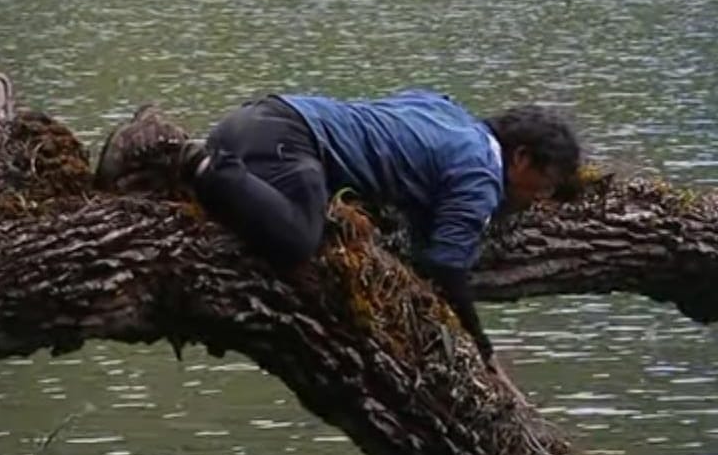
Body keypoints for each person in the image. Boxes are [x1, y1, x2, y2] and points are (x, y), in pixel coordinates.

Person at [96, 88, 581, 384]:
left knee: (296, 225)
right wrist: (483, 352)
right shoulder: (480, 172)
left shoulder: (449, 113)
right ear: (520, 158)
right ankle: (187, 158)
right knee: (297, 246)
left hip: (268, 120)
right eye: (548, 185)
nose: (542, 199)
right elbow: (444, 267)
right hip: (288, 142)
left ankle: (186, 173)